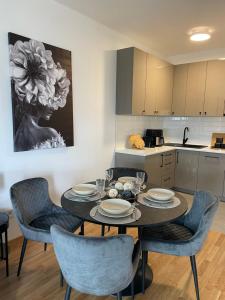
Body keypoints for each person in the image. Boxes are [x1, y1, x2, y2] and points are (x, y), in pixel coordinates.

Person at [9, 38, 70, 151]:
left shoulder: (16, 138)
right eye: (50, 98)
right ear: (37, 97)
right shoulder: (50, 134)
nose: (53, 106)